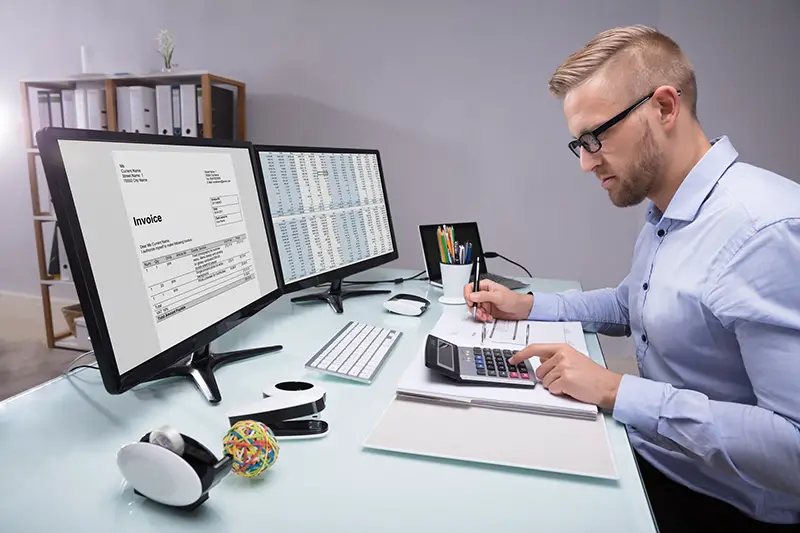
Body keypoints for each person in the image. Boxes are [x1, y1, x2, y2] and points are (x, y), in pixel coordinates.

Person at [465, 25, 800, 532]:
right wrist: (529, 307)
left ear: (665, 107)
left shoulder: (762, 232)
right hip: (658, 454)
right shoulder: (670, 210)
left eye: (596, 137)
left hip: (720, 501)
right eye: (577, 143)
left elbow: (792, 445)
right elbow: (631, 304)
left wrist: (617, 391)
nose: (585, 162)